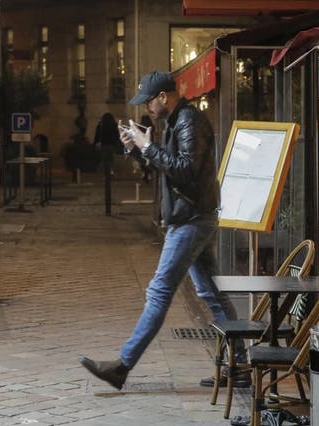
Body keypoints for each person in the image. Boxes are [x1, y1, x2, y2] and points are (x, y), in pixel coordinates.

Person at [79, 71, 247, 390]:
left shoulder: (189, 121)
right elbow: (167, 168)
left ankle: (123, 365)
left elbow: (184, 169)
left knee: (159, 291)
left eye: (149, 102)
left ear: (163, 98)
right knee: (211, 293)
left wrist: (147, 146)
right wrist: (136, 147)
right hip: (192, 216)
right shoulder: (174, 122)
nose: (148, 109)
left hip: (191, 219)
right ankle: (238, 366)